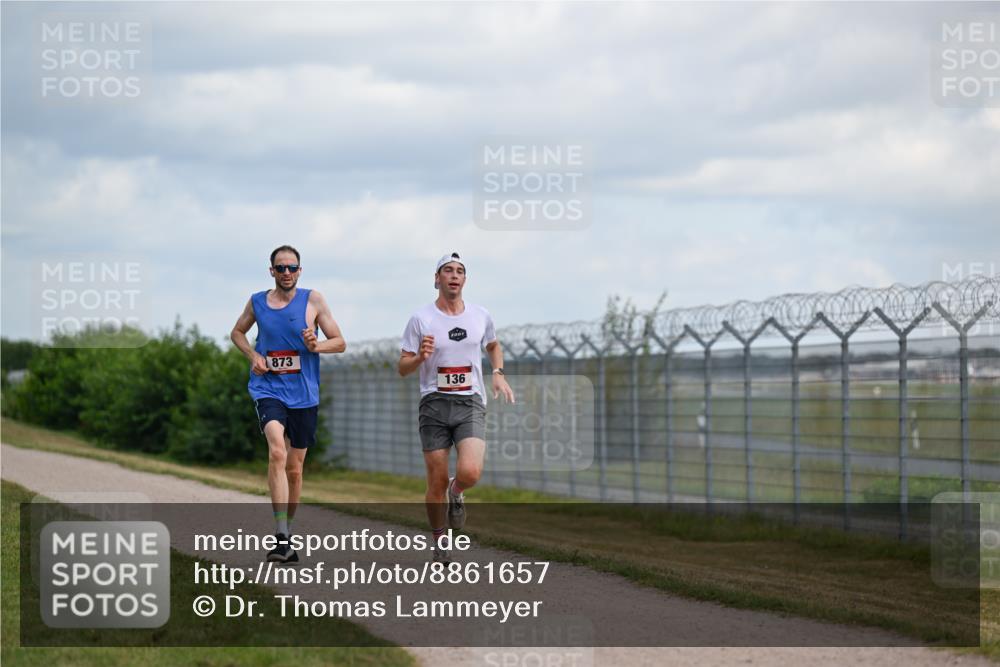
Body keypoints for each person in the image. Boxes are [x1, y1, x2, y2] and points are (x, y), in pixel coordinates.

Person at [398, 252, 515, 565]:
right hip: (434, 402)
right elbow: (402, 367)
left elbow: (493, 344)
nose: (454, 275)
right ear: (437, 279)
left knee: (470, 471)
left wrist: (498, 373)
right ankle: (439, 540)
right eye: (447, 270)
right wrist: (420, 358)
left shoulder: (480, 315)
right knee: (434, 480)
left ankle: (458, 490)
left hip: (470, 400)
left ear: (464, 279)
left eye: (460, 271)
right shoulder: (421, 319)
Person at [231, 245, 346, 562]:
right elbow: (237, 332)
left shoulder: (313, 299)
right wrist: (254, 355)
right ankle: (281, 538)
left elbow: (340, 342)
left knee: (295, 470)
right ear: (271, 271)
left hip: (304, 394)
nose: (286, 273)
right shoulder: (258, 302)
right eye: (280, 268)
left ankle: (288, 532)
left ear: (299, 270)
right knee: (277, 451)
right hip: (268, 387)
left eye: (291, 268)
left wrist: (317, 345)